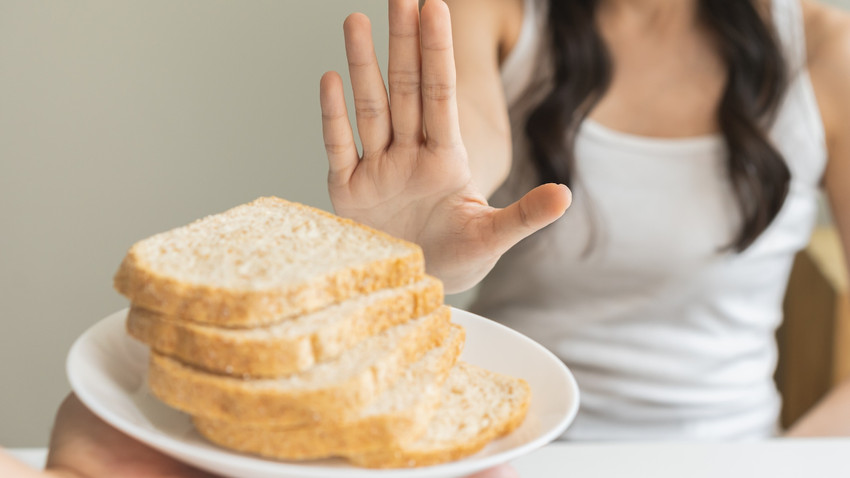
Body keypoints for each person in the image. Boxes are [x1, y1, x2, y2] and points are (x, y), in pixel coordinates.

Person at [4, 0, 850, 476]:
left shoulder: (827, 44)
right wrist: (412, 238)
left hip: (739, 457)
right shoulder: (498, 13)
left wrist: (787, 467)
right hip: (493, 454)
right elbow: (467, 141)